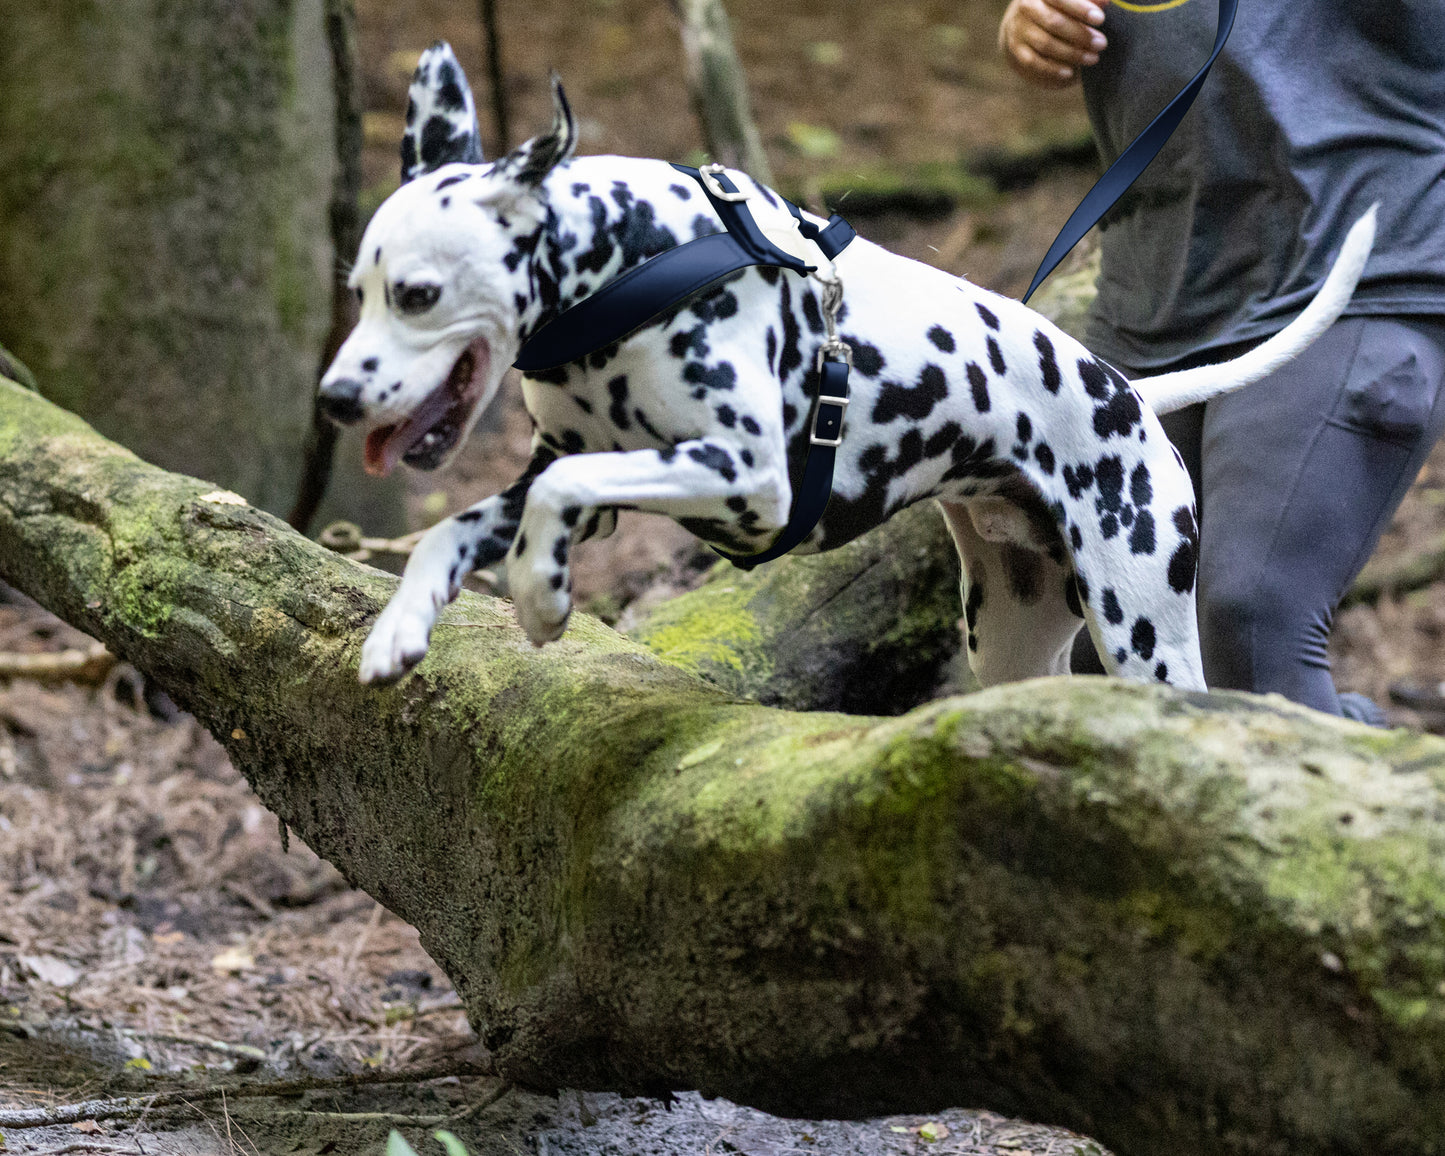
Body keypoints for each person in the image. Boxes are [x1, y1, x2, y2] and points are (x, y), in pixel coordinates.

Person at [997, 0, 1445, 721]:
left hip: (1355, 268)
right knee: (1094, 660)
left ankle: (1384, 813)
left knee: (1250, 622)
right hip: (1150, 293)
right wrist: (1030, 24)